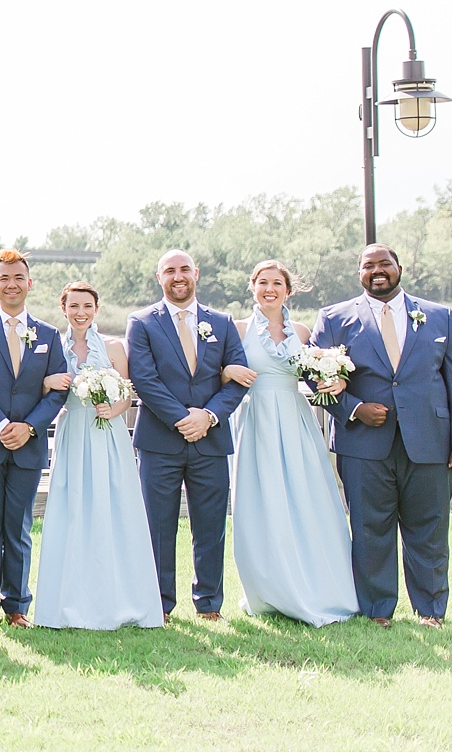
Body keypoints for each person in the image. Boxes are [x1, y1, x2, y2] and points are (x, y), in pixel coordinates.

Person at [314, 243, 452, 628]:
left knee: (430, 530)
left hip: (431, 443)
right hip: (363, 445)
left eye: (384, 263)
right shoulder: (334, 318)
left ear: (399, 268)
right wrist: (354, 408)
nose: (377, 271)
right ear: (359, 274)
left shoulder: (438, 316)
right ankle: (377, 610)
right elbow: (314, 374)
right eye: (368, 266)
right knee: (371, 530)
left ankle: (430, 612)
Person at [223, 260, 360, 626]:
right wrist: (226, 370)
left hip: (295, 419)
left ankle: (319, 583)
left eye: (277, 283)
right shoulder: (235, 330)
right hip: (255, 419)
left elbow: (318, 375)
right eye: (263, 282)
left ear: (288, 289)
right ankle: (272, 587)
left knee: (306, 498)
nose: (270, 289)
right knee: (262, 500)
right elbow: (213, 371)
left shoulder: (302, 331)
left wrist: (337, 381)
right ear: (252, 287)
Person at [125, 248, 249, 622]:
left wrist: (208, 417)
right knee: (159, 526)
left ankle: (209, 603)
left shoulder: (222, 322)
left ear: (196, 273)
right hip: (160, 440)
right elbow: (145, 380)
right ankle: (160, 604)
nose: (178, 277)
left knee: (210, 525)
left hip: (211, 440)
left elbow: (239, 374)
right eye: (169, 271)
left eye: (184, 270)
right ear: (158, 277)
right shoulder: (142, 322)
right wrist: (183, 419)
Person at [32, 282, 163, 630]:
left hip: (109, 435)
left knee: (115, 506)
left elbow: (127, 394)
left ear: (96, 309)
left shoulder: (114, 347)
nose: (80, 312)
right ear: (63, 309)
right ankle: (68, 600)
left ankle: (121, 596)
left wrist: (113, 409)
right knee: (73, 508)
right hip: (74, 430)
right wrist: (48, 385)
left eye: (87, 306)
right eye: (73, 306)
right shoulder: (52, 347)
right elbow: (41, 388)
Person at [0, 249, 69, 628]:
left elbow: (58, 390)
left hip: (30, 445)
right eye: (4, 278)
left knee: (19, 528)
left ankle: (17, 604)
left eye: (18, 277)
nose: (11, 284)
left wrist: (30, 427)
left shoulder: (50, 335)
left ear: (29, 283)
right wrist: (2, 425)